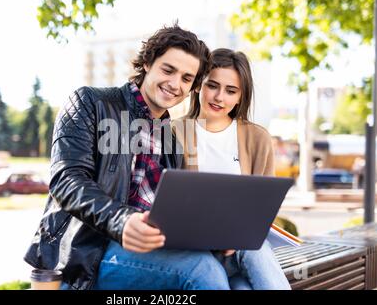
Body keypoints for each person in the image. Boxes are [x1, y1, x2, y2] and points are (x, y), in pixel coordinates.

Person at [24, 23, 238, 290]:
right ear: (148, 63)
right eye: (168, 70)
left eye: (186, 78)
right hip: (90, 252)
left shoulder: (172, 139)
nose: (175, 84)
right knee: (201, 270)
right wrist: (122, 221)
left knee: (241, 258)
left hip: (151, 247)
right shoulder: (90, 102)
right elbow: (66, 180)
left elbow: (173, 211)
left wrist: (211, 234)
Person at [172, 48, 291, 290]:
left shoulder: (257, 138)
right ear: (198, 86)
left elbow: (263, 210)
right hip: (196, 255)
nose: (219, 97)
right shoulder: (173, 132)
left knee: (251, 250)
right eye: (212, 86)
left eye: (231, 91)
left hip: (241, 251)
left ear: (240, 96)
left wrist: (239, 237)